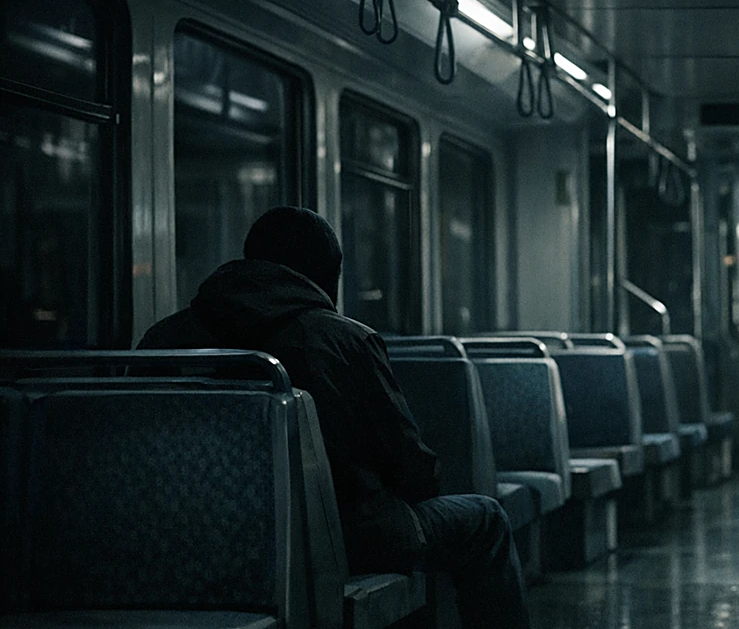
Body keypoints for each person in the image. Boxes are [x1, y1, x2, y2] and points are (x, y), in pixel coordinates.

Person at [138, 206, 531, 629]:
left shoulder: (164, 340)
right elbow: (410, 466)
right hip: (347, 538)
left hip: (189, 540)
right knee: (486, 520)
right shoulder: (344, 340)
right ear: (327, 276)